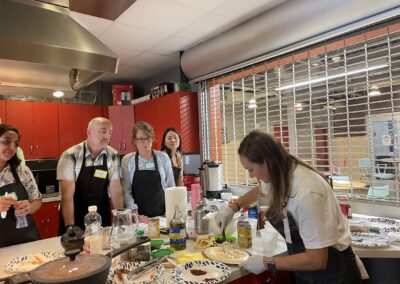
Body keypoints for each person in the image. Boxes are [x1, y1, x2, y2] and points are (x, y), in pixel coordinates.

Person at [215, 130, 361, 284]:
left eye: (251, 169)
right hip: (306, 272)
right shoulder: (282, 173)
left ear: (267, 161)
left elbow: (317, 259)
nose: (251, 175)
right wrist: (233, 208)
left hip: (333, 275)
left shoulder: (307, 192)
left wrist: (267, 262)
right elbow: (261, 190)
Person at [57, 117, 123, 234]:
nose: (107, 136)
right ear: (89, 132)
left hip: (101, 215)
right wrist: (70, 228)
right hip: (75, 215)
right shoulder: (71, 156)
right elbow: (67, 197)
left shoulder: (112, 155)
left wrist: (121, 219)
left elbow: (116, 190)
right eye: (103, 131)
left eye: (109, 132)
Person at [122, 121, 175, 219]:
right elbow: (126, 190)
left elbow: (171, 187)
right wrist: (135, 213)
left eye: (148, 138)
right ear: (134, 141)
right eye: (141, 139)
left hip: (162, 216)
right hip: (139, 218)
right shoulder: (128, 160)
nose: (146, 142)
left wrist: (170, 210)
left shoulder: (163, 157)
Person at [0, 124, 41, 247]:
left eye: (16, 144)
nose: (12, 148)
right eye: (7, 141)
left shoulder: (21, 170)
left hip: (26, 239)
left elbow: (37, 200)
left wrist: (29, 207)